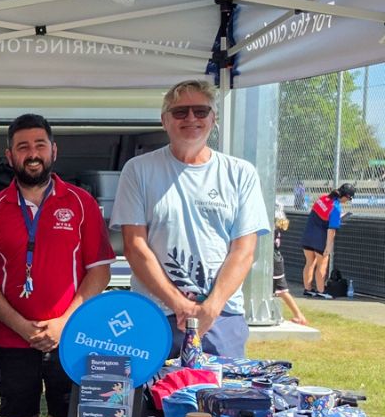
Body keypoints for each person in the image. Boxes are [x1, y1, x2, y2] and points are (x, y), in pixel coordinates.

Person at [0, 114, 114, 417]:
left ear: (53, 150)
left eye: (39, 145)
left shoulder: (80, 203)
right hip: (13, 339)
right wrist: (21, 326)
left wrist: (63, 322)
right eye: (23, 147)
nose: (32, 154)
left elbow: (100, 272)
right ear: (10, 155)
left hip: (71, 337)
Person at [111, 79, 269, 359]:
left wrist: (213, 306)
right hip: (157, 314)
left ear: (214, 118)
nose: (191, 118)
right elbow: (135, 246)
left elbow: (243, 251)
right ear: (164, 120)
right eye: (180, 112)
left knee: (220, 399)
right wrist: (178, 302)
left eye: (200, 111)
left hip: (221, 316)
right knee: (154, 399)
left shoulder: (240, 173)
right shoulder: (138, 170)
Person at [301, 183, 355, 299]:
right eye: (349, 198)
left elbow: (320, 214)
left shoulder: (323, 197)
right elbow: (331, 230)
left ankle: (308, 289)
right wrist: (328, 247)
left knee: (309, 263)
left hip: (308, 234)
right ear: (345, 196)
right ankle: (321, 291)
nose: (348, 201)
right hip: (320, 238)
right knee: (322, 265)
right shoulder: (336, 208)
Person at [273, 210, 308, 324]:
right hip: (274, 259)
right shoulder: (275, 228)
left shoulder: (272, 229)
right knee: (275, 291)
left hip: (274, 261)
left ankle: (299, 316)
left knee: (282, 291)